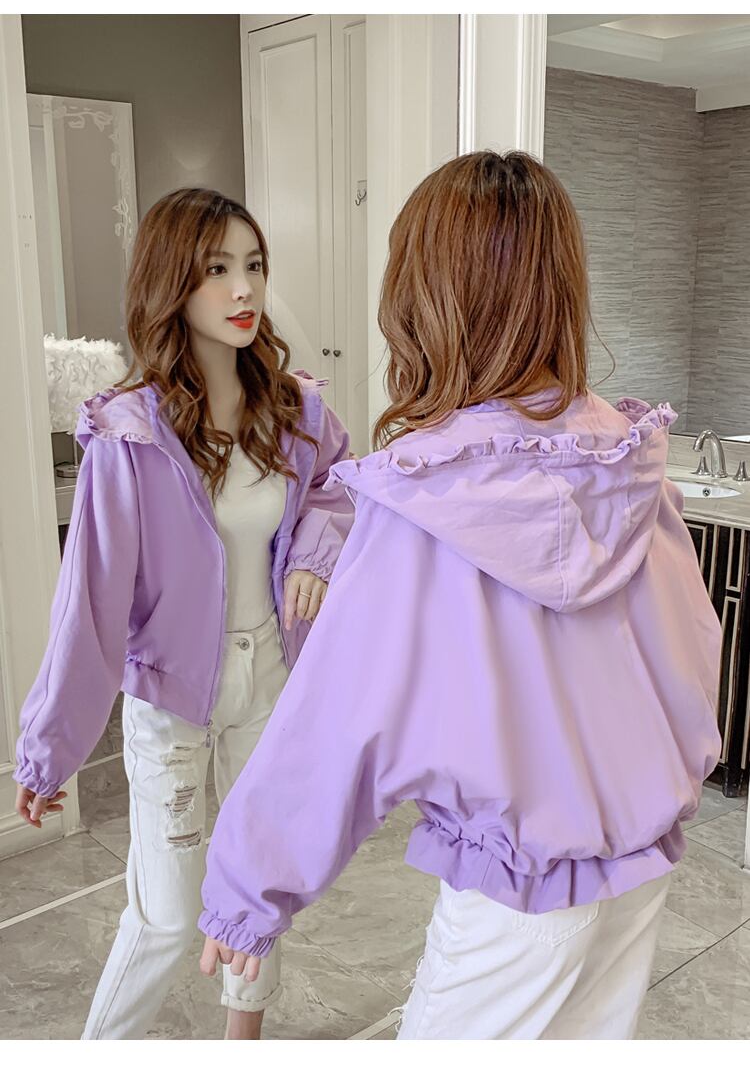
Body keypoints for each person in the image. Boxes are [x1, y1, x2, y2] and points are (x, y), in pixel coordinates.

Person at [198, 151, 722, 1039]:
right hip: (639, 870)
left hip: (518, 900)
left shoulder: (426, 499)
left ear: (423, 297)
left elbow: (338, 715)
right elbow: (692, 650)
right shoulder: (628, 463)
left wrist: (251, 885)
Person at [14, 188, 354, 1040]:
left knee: (257, 889)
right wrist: (49, 747)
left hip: (271, 678)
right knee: (167, 916)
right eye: (217, 269)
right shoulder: (129, 436)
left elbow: (341, 488)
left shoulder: (296, 410)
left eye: (254, 266)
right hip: (171, 698)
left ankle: (244, 1045)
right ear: (174, 282)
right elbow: (89, 604)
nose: (244, 289)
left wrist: (313, 553)